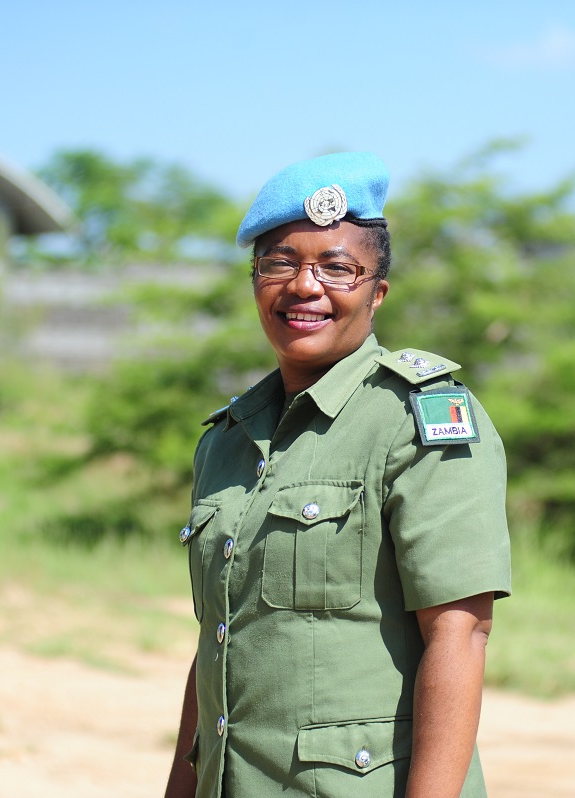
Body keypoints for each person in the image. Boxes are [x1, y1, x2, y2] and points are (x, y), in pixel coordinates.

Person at [164, 152, 512, 798]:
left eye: (337, 267)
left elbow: (459, 636)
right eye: (280, 262)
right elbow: (219, 644)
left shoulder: (418, 419)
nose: (304, 286)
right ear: (254, 281)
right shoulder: (228, 442)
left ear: (377, 293)